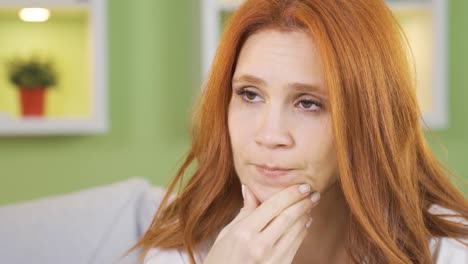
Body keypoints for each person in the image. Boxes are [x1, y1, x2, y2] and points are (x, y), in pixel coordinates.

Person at [128, 0, 468, 263]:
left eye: (308, 103)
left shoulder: (448, 249)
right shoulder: (185, 249)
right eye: (249, 94)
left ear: (368, 119)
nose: (270, 135)